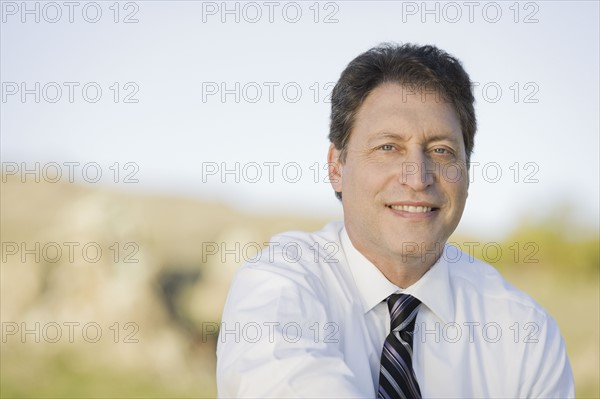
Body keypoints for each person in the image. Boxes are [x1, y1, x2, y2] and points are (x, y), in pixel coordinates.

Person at [216, 43, 574, 398]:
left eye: (441, 150)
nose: (417, 177)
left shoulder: (526, 334)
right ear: (336, 167)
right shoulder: (278, 282)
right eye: (388, 147)